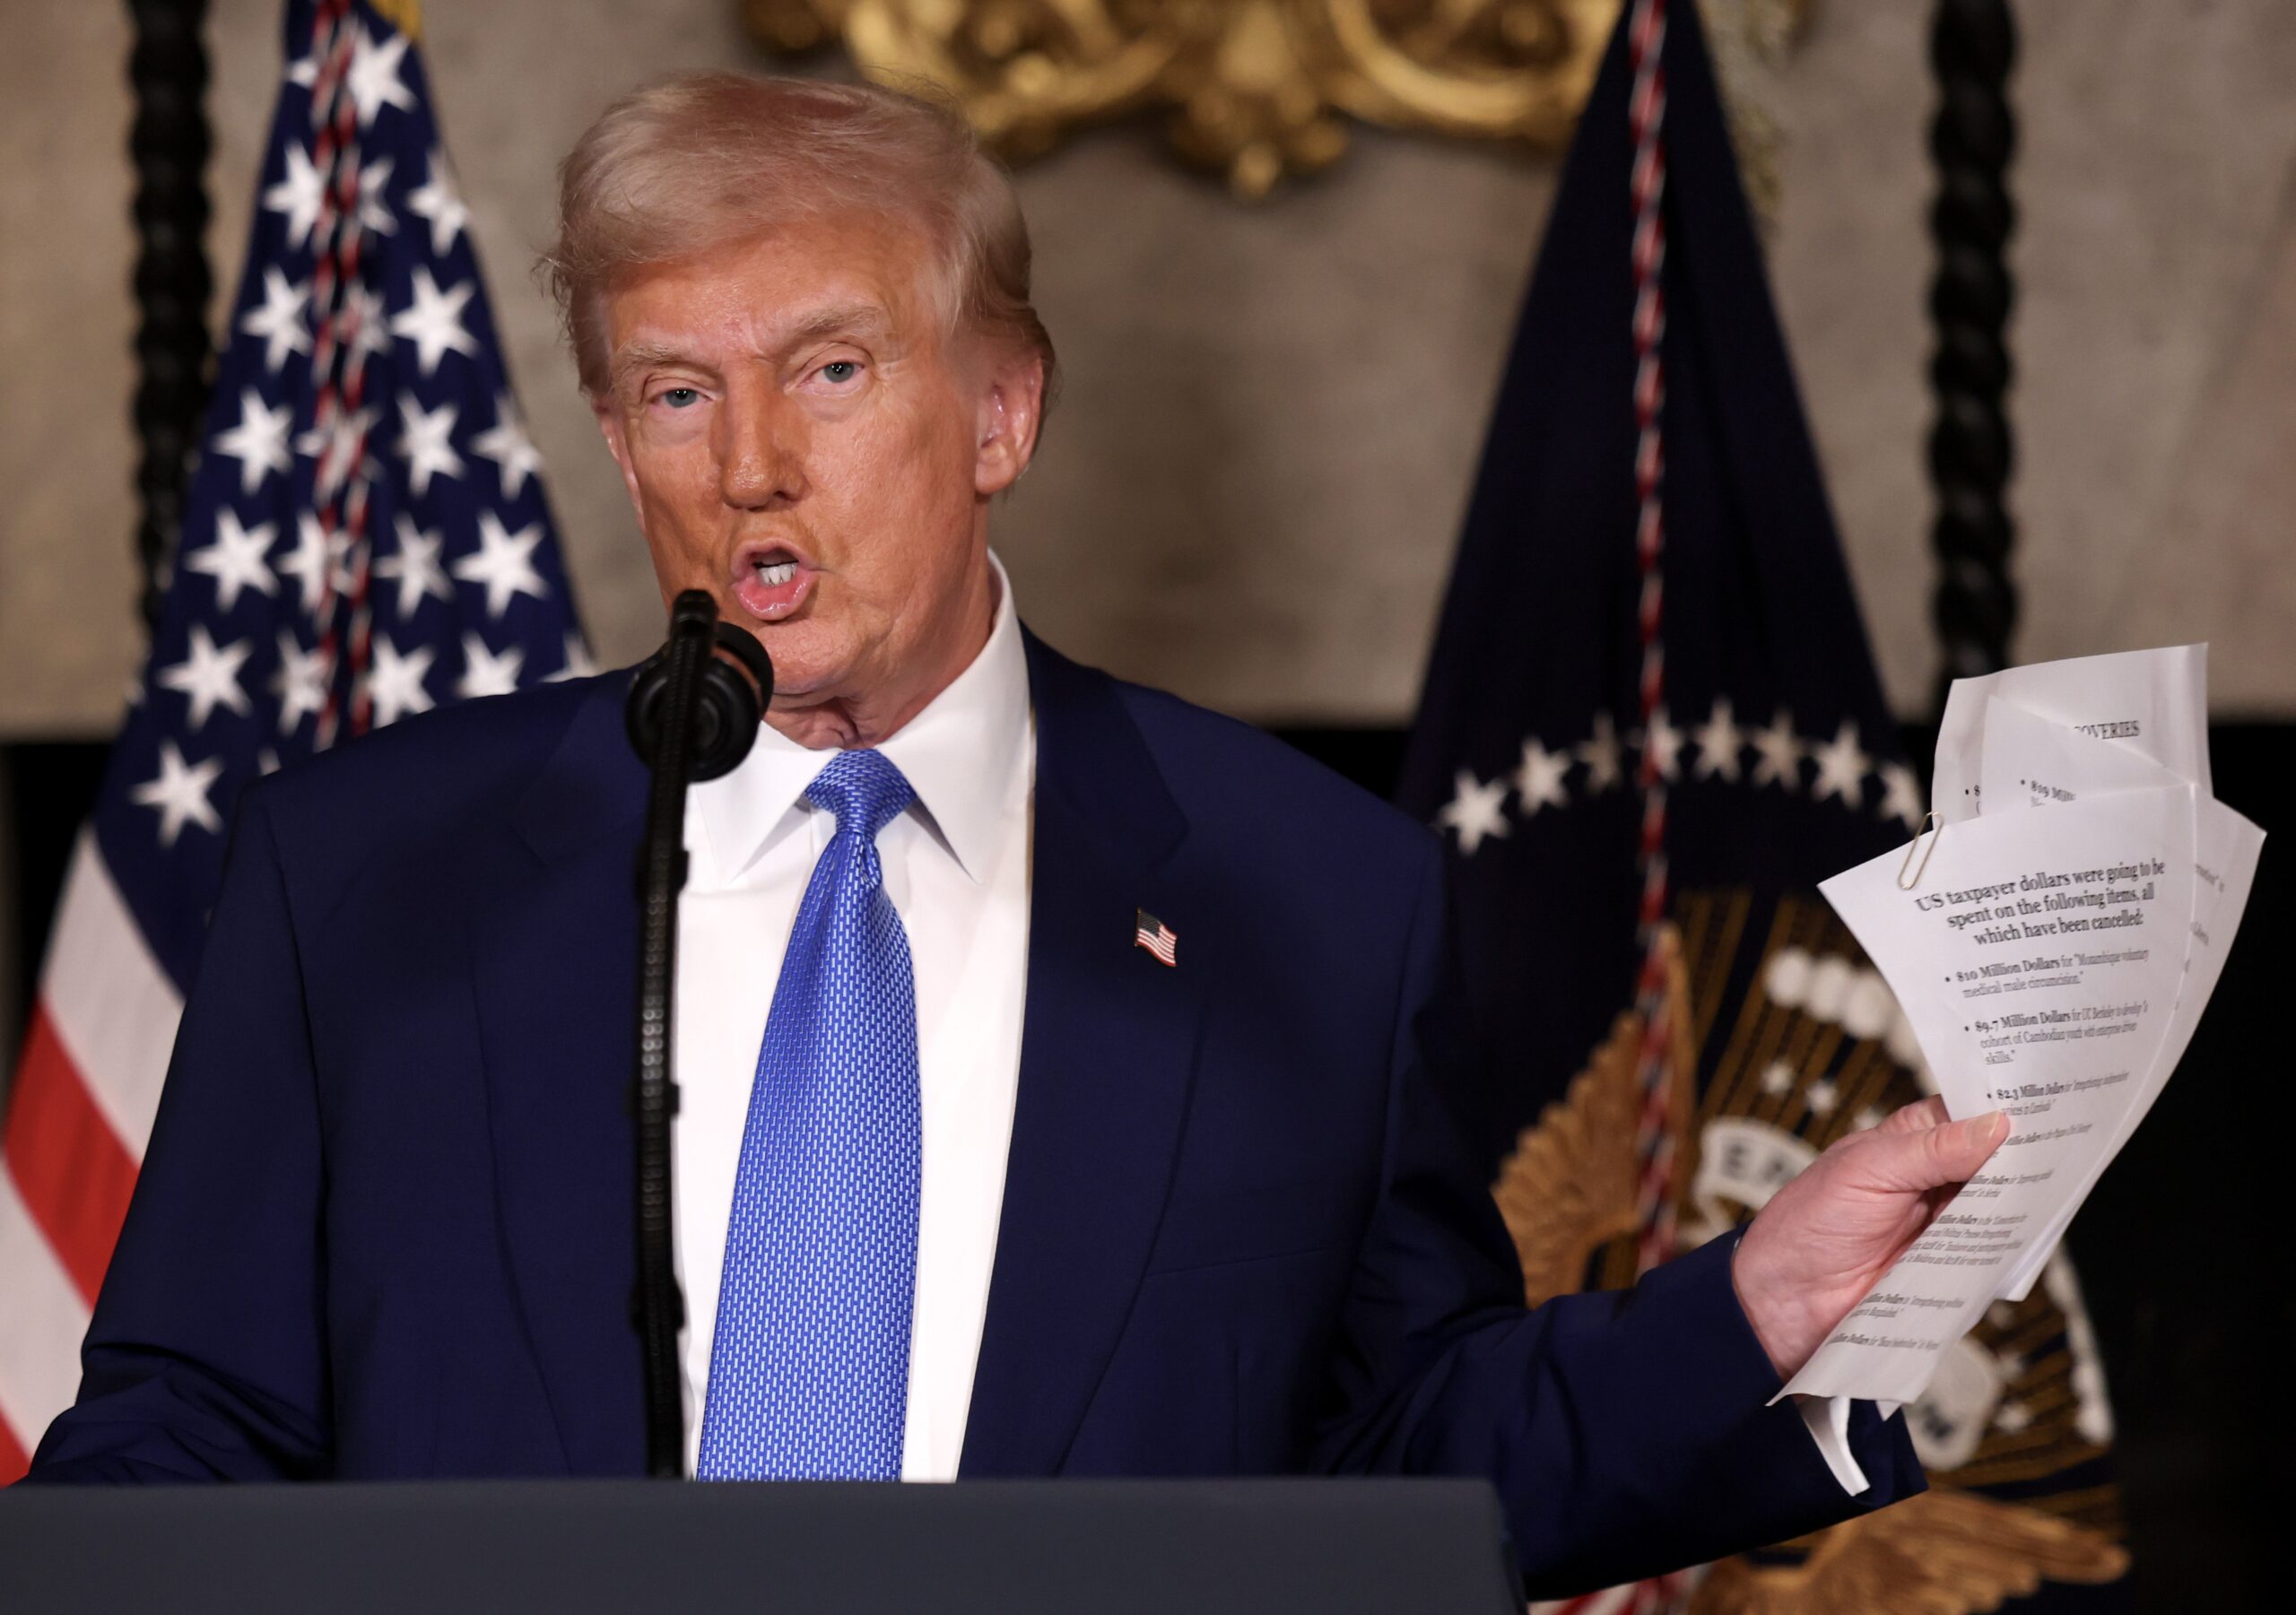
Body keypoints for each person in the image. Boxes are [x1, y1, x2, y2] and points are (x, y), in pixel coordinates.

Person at [25, 73, 2005, 1594]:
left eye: (829, 368)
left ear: (996, 414)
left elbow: (1401, 1460)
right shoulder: (364, 875)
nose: (752, 476)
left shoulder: (1305, 898)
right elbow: (181, 1440)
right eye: (677, 394)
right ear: (618, 445)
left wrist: (1747, 1316)